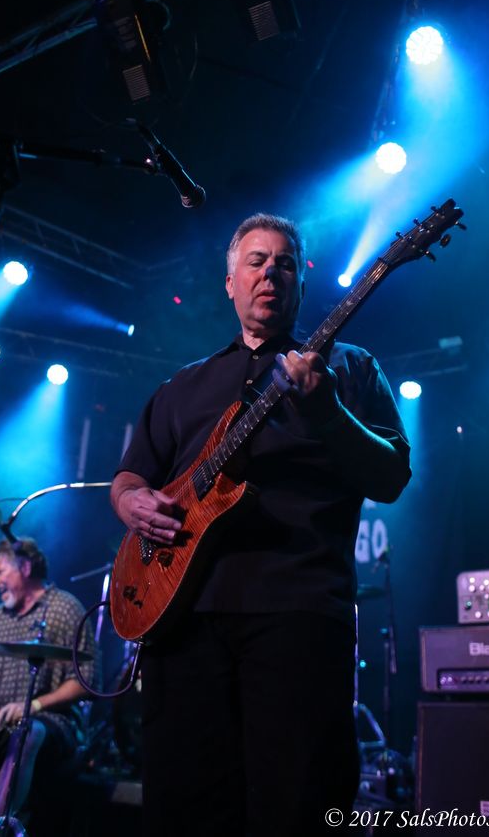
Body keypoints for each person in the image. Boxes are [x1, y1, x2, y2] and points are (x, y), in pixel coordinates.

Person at [110, 213, 411, 837]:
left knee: (296, 805)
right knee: (183, 810)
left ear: (301, 283)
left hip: (298, 614)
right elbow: (130, 477)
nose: (270, 272)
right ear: (230, 283)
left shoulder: (349, 367)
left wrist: (326, 409)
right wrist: (131, 502)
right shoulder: (183, 386)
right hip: (182, 621)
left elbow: (391, 477)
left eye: (285, 263)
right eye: (256, 261)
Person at [0, 537, 97, 835]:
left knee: (27, 732)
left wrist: (32, 706)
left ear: (24, 567)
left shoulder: (64, 608)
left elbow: (85, 681)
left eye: (0, 572)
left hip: (51, 724)